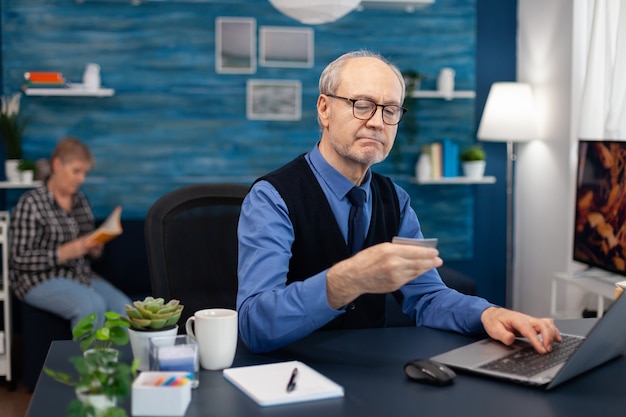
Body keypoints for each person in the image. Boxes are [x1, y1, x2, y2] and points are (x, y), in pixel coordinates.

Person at [237, 50, 561, 354]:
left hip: (375, 374)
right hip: (291, 378)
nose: (377, 122)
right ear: (324, 109)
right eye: (362, 104)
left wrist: (488, 314)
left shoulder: (397, 200)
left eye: (390, 110)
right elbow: (253, 324)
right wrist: (348, 279)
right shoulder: (271, 198)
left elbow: (427, 297)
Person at [9, 136, 131, 329]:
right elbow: (19, 259)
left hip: (78, 274)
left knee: (125, 309)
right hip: (37, 279)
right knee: (91, 306)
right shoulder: (31, 203)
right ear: (57, 165)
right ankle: (91, 360)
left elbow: (88, 246)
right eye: (76, 171)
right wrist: (66, 251)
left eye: (84, 173)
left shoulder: (81, 201)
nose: (81, 179)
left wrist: (94, 248)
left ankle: (121, 360)